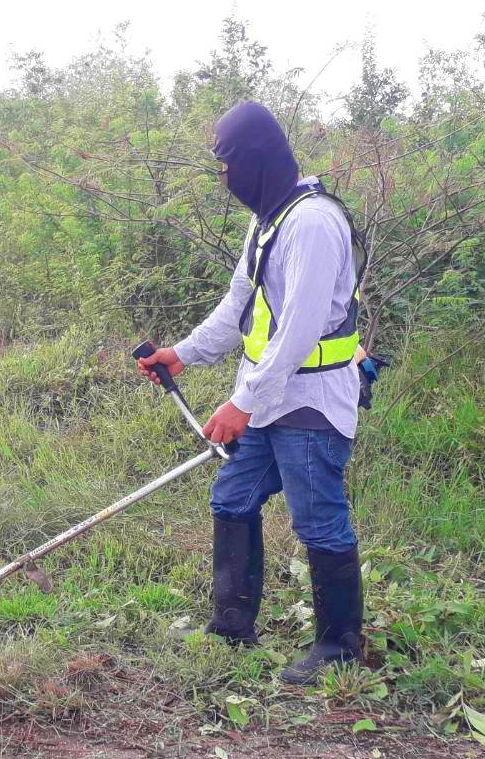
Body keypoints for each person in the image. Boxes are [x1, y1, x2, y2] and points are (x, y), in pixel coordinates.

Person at [137, 101, 364, 685]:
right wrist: (183, 354)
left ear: (256, 160)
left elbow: (299, 329)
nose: (224, 178)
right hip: (268, 399)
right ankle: (232, 627)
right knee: (231, 498)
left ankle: (340, 649)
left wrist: (243, 402)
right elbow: (238, 304)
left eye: (227, 165)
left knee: (317, 521)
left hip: (310, 402)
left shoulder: (312, 223)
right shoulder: (269, 220)